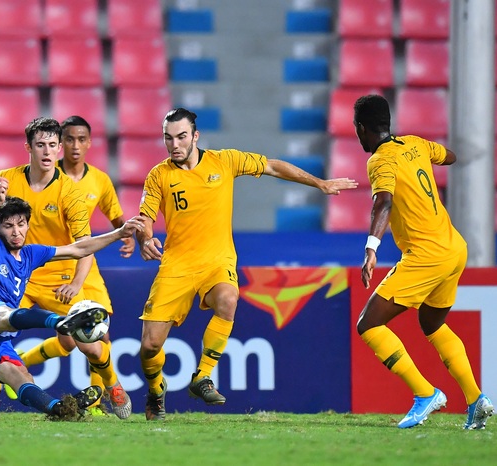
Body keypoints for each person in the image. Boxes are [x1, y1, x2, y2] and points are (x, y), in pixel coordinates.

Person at [135, 108, 359, 420]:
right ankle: (156, 391)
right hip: (177, 266)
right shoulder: (159, 175)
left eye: (181, 136)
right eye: (168, 138)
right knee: (149, 346)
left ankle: (201, 376)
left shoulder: (224, 161)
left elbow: (272, 166)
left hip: (217, 261)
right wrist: (145, 239)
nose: (174, 144)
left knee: (228, 298)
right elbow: (145, 217)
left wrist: (319, 183)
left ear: (195, 136)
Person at [0, 117, 132, 421]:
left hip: (59, 279)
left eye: (51, 145)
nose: (47, 152)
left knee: (87, 343)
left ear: (59, 149)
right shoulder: (7, 180)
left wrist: (75, 283)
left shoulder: (69, 193)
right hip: (17, 277)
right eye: (40, 145)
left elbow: (84, 246)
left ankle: (113, 383)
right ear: (28, 148)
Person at [352, 94, 494, 429]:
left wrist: (371, 247)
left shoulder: (379, 161)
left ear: (361, 128)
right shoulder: (415, 143)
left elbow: (383, 202)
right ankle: (475, 400)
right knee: (432, 324)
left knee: (368, 324)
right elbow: (449, 156)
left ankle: (425, 394)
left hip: (426, 255)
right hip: (454, 248)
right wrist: (429, 159)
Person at [0, 177, 142, 419]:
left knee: (20, 376)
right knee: (4, 315)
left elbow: (78, 249)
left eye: (21, 224)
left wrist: (118, 233)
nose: (16, 231)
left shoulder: (32, 254)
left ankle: (59, 409)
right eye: (9, 226)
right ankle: (60, 323)